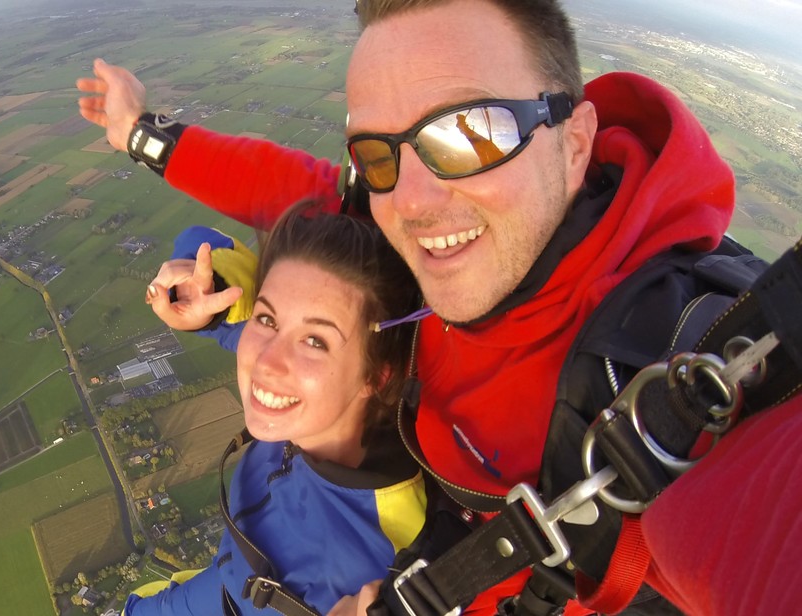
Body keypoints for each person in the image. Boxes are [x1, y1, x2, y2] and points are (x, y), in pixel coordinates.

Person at [79, 1, 802, 614]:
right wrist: (142, 134)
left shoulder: (687, 369)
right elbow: (299, 194)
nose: (412, 205)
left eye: (472, 132)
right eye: (379, 153)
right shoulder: (438, 238)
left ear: (575, 142)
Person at [122, 204, 431, 615]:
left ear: (376, 377)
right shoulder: (317, 400)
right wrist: (204, 280)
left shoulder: (388, 553)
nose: (266, 362)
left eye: (315, 342)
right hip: (220, 586)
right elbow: (205, 244)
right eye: (268, 319)